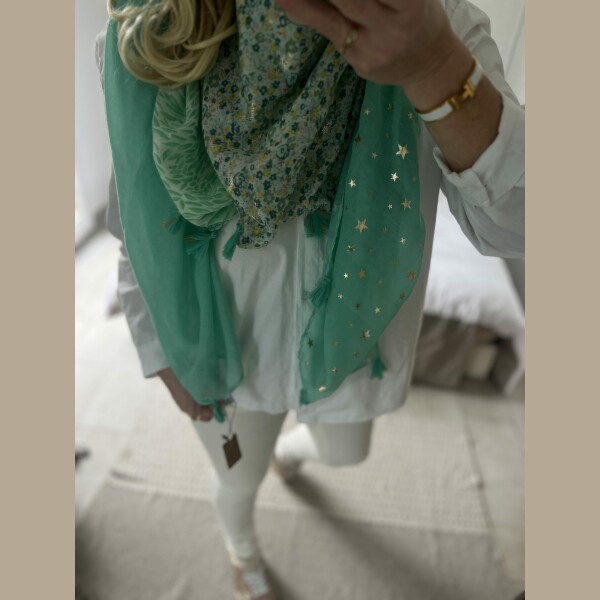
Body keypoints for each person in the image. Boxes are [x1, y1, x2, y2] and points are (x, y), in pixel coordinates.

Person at [96, 0, 524, 598]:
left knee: (345, 452)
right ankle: (240, 544)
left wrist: (434, 65)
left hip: (353, 334)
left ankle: (290, 454)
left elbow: (518, 227)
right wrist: (158, 343)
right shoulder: (153, 27)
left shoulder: (428, 18)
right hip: (222, 342)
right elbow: (138, 221)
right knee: (238, 477)